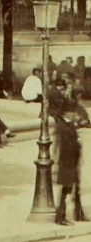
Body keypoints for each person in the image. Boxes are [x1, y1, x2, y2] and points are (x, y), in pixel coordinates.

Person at [49, 79, 89, 226]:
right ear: (67, 112)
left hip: (72, 162)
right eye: (73, 113)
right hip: (66, 162)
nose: (75, 115)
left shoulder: (68, 123)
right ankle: (60, 217)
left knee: (74, 188)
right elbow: (60, 146)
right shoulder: (61, 126)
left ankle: (78, 214)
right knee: (66, 190)